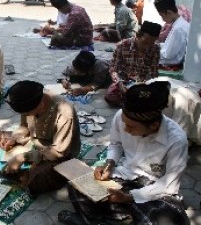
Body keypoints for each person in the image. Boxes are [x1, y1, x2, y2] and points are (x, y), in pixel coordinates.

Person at [59, 81, 189, 225]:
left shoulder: (177, 140)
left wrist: (128, 197)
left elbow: (169, 185)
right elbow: (116, 145)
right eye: (124, 123)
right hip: (125, 175)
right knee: (76, 185)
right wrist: (109, 164)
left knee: (169, 221)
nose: (126, 129)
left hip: (154, 188)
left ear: (154, 125)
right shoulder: (122, 116)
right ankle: (117, 217)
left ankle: (95, 219)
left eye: (131, 127)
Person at [0, 80, 80, 195]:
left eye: (28, 113)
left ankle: (12, 170)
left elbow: (58, 152)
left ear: (41, 105)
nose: (26, 116)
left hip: (56, 154)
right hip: (31, 142)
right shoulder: (29, 100)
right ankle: (11, 168)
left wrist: (24, 157)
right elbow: (24, 126)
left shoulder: (64, 113)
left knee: (35, 181)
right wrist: (14, 138)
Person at [105, 21, 161, 107]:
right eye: (145, 43)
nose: (148, 46)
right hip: (124, 81)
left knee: (155, 95)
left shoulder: (155, 48)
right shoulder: (122, 45)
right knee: (110, 96)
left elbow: (153, 73)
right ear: (137, 35)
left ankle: (132, 102)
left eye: (151, 43)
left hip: (142, 83)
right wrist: (120, 84)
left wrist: (144, 85)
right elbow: (113, 69)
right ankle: (134, 103)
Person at [154, 0, 190, 67]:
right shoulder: (179, 24)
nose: (162, 19)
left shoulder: (178, 28)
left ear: (169, 13)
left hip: (170, 63)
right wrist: (157, 46)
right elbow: (169, 46)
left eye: (162, 16)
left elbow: (168, 55)